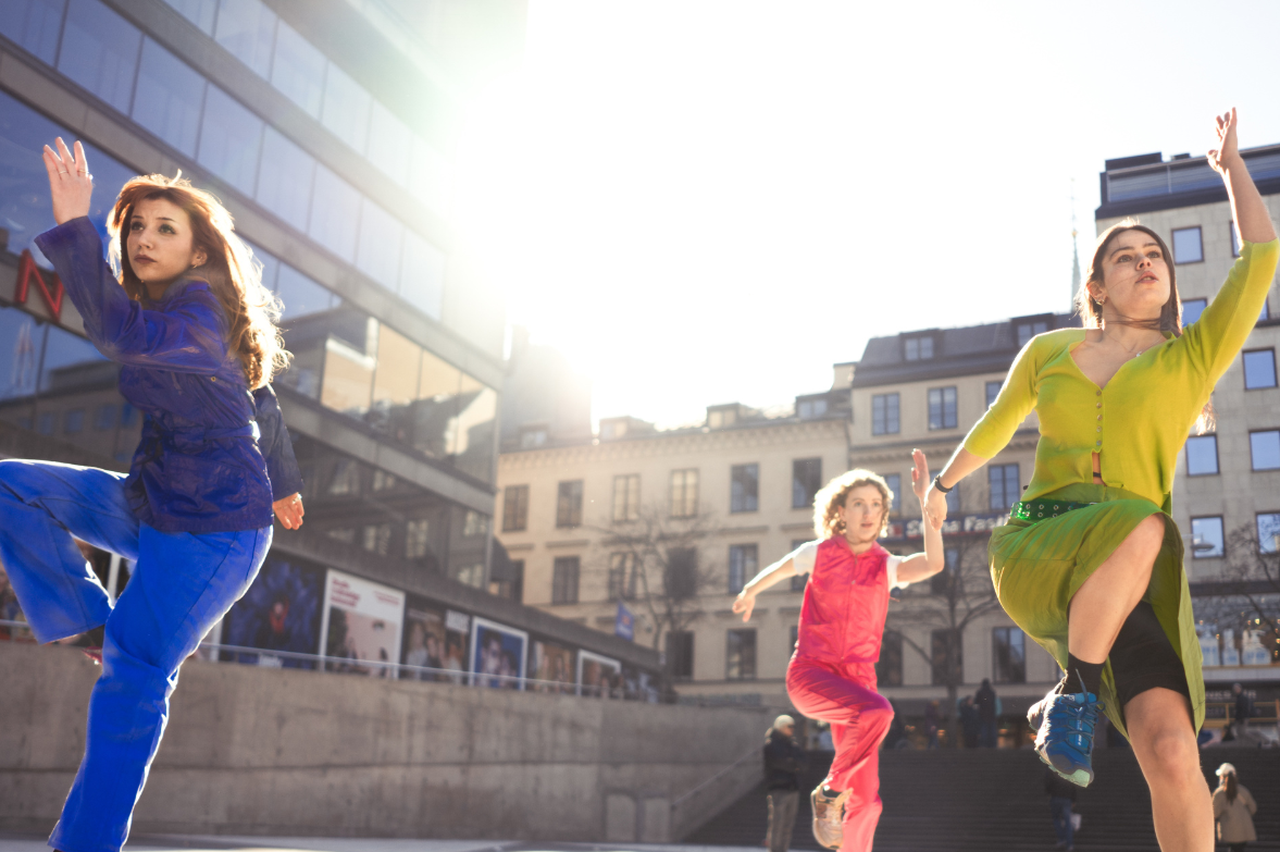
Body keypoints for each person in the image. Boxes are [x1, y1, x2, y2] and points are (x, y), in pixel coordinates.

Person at [924, 109, 1277, 851]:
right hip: (1042, 546)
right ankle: (1075, 697)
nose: (1146, 260)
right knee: (1147, 521)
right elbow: (996, 423)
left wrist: (1231, 170)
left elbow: (1262, 256)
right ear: (1099, 285)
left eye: (1157, 254)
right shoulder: (1049, 351)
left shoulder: (1191, 358)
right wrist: (943, 486)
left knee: (1175, 751)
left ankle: (1072, 699)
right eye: (1126, 256)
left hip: (1127, 583)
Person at [0, 138, 305, 852]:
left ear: (200, 253)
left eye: (165, 228)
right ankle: (86, 622)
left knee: (132, 682)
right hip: (156, 504)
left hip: (215, 534)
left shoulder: (196, 312)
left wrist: (76, 224)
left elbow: (117, 332)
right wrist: (287, 482)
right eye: (134, 226)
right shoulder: (185, 320)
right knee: (12, 486)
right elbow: (261, 398)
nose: (143, 237)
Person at [732, 449, 945, 851]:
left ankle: (840, 811)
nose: (868, 512)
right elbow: (777, 569)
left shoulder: (887, 566)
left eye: (876, 505)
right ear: (841, 513)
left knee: (868, 801)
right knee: (879, 711)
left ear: (883, 516)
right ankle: (829, 792)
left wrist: (926, 503)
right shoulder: (819, 553)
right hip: (812, 675)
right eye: (859, 504)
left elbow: (933, 563)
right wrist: (749, 592)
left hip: (858, 683)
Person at [763, 713, 808, 852]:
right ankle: (774, 850)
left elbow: (804, 765)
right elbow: (778, 763)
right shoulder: (771, 745)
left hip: (793, 788)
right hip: (778, 788)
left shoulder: (794, 745)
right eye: (789, 726)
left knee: (788, 825)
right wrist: (794, 765)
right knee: (777, 823)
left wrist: (793, 764)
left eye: (794, 726)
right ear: (781, 727)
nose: (792, 729)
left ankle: (783, 849)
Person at [1212, 762, 1257, 852]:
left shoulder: (1219, 793)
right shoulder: (1243, 791)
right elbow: (1253, 808)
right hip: (1244, 829)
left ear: (1222, 777)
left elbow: (1214, 813)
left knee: (1232, 849)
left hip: (1228, 831)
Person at [1045, 765, 1078, 850]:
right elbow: (1073, 785)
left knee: (1056, 818)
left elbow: (1048, 783)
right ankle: (1070, 844)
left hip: (1056, 797)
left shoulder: (1052, 768)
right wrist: (1073, 799)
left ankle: (1061, 838)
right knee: (1067, 821)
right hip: (1067, 798)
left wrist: (1049, 793)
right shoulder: (1068, 769)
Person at [975, 678, 998, 747]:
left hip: (983, 716)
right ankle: (993, 745)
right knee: (992, 731)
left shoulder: (980, 692)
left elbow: (976, 702)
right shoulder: (992, 692)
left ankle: (984, 745)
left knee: (984, 731)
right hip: (991, 715)